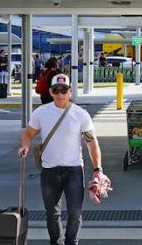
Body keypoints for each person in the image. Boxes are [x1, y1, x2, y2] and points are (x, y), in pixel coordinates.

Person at [19, 74, 107, 245]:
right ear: (50, 92)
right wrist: (25, 146)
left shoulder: (80, 115)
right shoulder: (41, 112)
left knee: (75, 212)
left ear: (70, 92)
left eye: (64, 90)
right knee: (52, 213)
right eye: (56, 90)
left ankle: (71, 242)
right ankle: (56, 242)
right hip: (49, 171)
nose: (60, 94)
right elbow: (29, 133)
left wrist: (98, 170)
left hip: (73, 170)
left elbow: (91, 143)